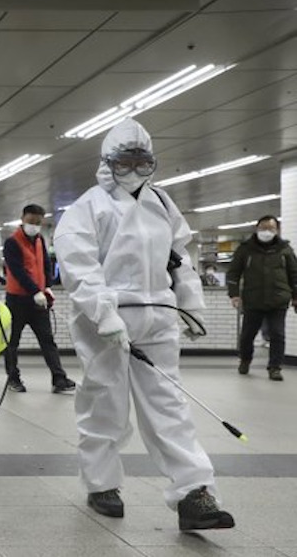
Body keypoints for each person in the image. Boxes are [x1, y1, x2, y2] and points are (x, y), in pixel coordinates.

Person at [54, 118, 234, 530]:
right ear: (107, 162)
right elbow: (80, 268)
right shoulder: (88, 208)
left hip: (158, 319)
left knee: (169, 407)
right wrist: (105, 314)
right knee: (106, 404)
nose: (133, 169)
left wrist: (192, 305)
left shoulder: (163, 204)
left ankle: (194, 493)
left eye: (142, 160)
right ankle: (101, 483)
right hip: (106, 325)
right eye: (125, 160)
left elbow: (179, 259)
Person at [2, 204, 76, 394]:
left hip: (39, 302)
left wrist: (48, 286)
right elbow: (17, 271)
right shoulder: (12, 242)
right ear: (22, 219)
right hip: (17, 300)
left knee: (47, 340)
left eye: (38, 222)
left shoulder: (39, 241)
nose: (34, 225)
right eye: (30, 221)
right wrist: (35, 291)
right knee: (12, 342)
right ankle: (13, 378)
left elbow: (45, 265)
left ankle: (59, 379)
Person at [227, 215, 297, 381]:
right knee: (247, 335)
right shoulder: (245, 249)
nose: (267, 232)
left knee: (278, 335)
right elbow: (234, 273)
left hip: (278, 299)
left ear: (277, 230)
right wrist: (234, 294)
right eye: (263, 228)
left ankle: (275, 368)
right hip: (253, 299)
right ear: (256, 229)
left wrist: (295, 297)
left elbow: (294, 275)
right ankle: (245, 359)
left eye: (271, 228)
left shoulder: (285, 250)